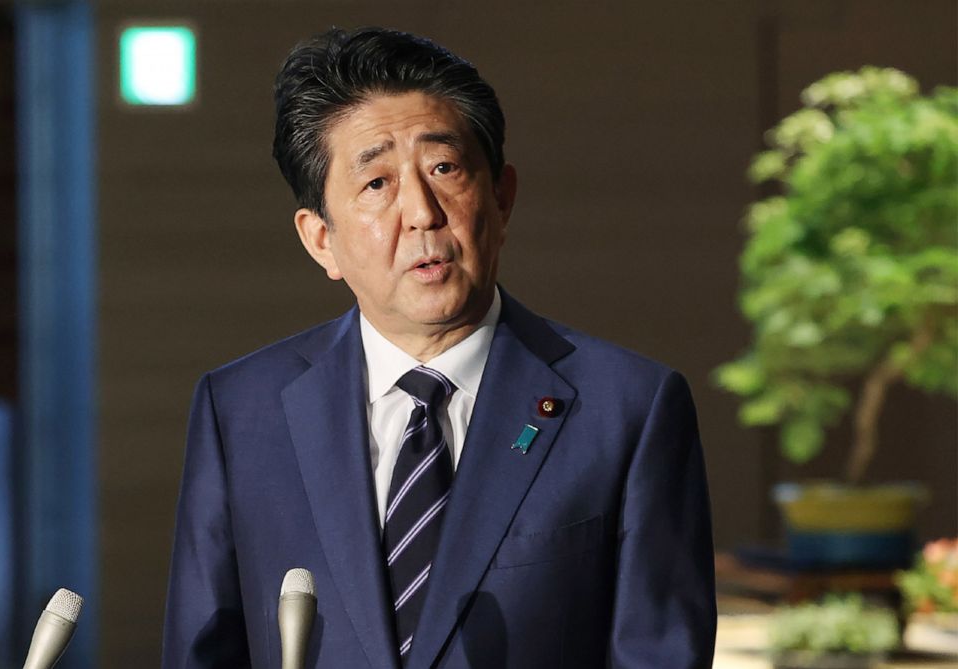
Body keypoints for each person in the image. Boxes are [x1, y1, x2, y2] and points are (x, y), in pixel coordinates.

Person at [162, 27, 716, 669]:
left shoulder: (630, 409)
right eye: (377, 184)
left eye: (444, 169)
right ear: (321, 240)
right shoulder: (241, 412)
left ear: (502, 198)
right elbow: (201, 652)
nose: (421, 212)